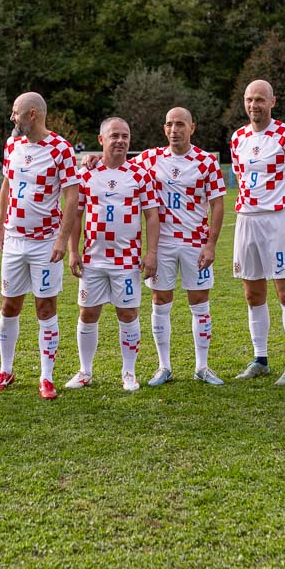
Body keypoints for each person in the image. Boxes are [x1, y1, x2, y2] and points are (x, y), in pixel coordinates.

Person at [0, 92, 81, 399]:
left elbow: (72, 196)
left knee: (45, 306)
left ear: (32, 114)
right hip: (14, 239)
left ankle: (46, 376)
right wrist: (0, 227)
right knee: (9, 305)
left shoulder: (61, 148)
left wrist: (62, 239)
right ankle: (6, 370)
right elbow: (6, 186)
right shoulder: (11, 145)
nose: (12, 117)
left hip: (45, 242)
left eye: (15, 112)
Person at [132, 107, 226, 386]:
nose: (175, 130)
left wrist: (211, 245)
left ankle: (202, 366)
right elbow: (120, 166)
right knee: (160, 302)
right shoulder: (150, 158)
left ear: (192, 128)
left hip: (195, 244)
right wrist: (93, 159)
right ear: (164, 129)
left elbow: (218, 204)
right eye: (170, 124)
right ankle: (164, 367)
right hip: (162, 245)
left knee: (200, 304)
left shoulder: (206, 162)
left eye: (181, 124)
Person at [229, 79, 285, 385]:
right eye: (250, 99)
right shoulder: (238, 137)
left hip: (277, 221)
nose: (254, 105)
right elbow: (241, 178)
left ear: (272, 102)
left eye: (260, 99)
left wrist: (280, 206)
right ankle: (260, 359)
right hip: (246, 220)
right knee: (252, 294)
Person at [66, 117, 159, 391]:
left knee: (128, 314)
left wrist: (151, 253)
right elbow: (76, 215)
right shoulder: (86, 174)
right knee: (87, 313)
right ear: (101, 140)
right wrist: (73, 251)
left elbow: (152, 216)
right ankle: (85, 371)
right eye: (114, 135)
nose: (120, 140)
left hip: (127, 260)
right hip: (93, 259)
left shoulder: (140, 175)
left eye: (125, 136)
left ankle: (129, 372)